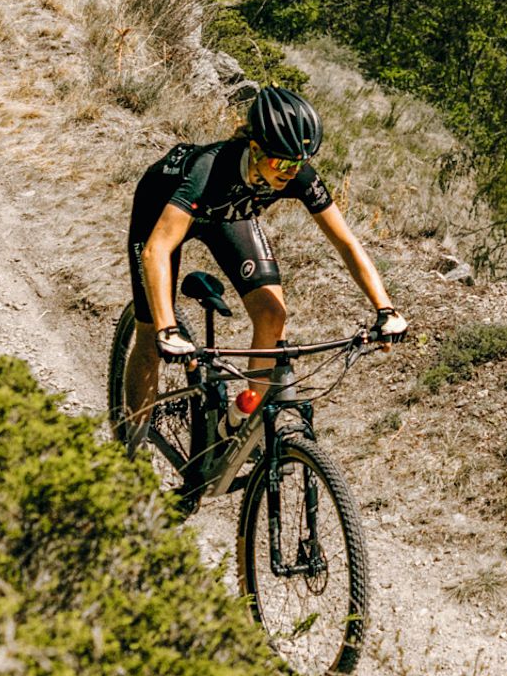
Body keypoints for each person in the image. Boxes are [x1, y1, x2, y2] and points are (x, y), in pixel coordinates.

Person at [127, 85, 405, 438]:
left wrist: (385, 309)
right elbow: (156, 251)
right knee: (150, 336)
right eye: (282, 162)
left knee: (273, 316)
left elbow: (346, 243)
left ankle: (238, 420)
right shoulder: (208, 169)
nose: (291, 172)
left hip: (228, 215)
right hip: (162, 210)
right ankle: (131, 453)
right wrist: (168, 329)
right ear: (255, 149)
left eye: (299, 163)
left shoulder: (295, 173)